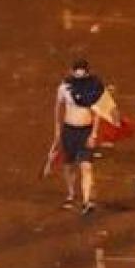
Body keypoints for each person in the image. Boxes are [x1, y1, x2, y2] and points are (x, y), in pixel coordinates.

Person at [50, 59, 102, 214]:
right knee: (69, 164)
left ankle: (87, 201)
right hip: (69, 131)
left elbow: (98, 112)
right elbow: (58, 108)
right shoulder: (64, 88)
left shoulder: (93, 88)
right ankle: (71, 194)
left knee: (86, 166)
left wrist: (94, 133)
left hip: (85, 131)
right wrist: (57, 130)